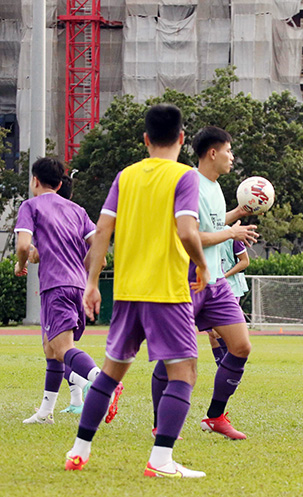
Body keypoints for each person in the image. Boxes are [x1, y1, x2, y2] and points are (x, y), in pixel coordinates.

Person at [64, 104, 211, 477]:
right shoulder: (185, 176)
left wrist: (93, 282)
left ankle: (79, 450)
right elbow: (186, 231)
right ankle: (161, 460)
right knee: (184, 374)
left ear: (145, 139)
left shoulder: (125, 176)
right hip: (166, 291)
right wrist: (203, 264)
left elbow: (101, 232)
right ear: (181, 138)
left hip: (128, 292)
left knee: (112, 374)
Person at [150, 126, 259, 441]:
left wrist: (236, 215)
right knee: (175, 356)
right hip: (187, 280)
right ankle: (160, 423)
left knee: (240, 346)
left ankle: (215, 416)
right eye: (229, 151)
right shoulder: (190, 184)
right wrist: (232, 233)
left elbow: (210, 223)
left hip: (215, 281)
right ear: (213, 152)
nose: (232, 157)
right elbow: (190, 235)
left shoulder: (214, 186)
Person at [13, 158, 115, 425]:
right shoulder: (77, 210)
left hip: (55, 285)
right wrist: (81, 272)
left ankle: (104, 384)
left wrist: (21, 265)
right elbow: (100, 253)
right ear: (60, 184)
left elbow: (23, 246)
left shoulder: (30, 206)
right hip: (77, 286)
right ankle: (46, 413)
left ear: (35, 180)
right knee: (50, 348)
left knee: (62, 348)